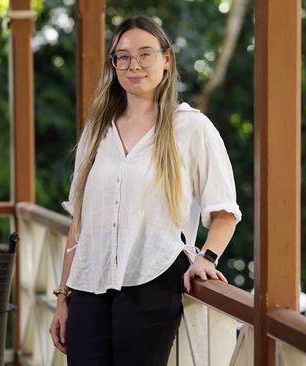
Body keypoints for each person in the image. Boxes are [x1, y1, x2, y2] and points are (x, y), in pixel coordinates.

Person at [49, 15, 241, 366]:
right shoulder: (96, 131)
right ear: (114, 65)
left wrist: (206, 258)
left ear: (167, 60)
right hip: (89, 287)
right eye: (122, 56)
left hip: (153, 281)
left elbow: (225, 212)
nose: (133, 64)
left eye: (144, 54)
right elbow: (80, 223)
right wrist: (64, 295)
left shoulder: (191, 128)